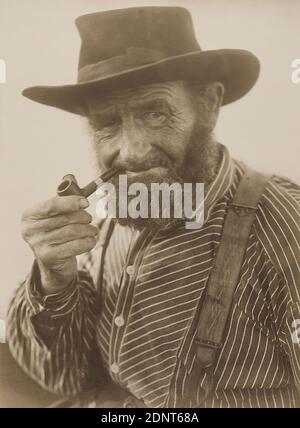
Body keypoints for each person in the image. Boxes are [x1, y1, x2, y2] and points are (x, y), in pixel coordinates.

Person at [6, 7, 300, 408]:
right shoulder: (110, 216)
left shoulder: (286, 226)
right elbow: (65, 376)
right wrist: (54, 280)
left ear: (208, 105)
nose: (131, 154)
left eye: (155, 112)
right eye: (107, 122)